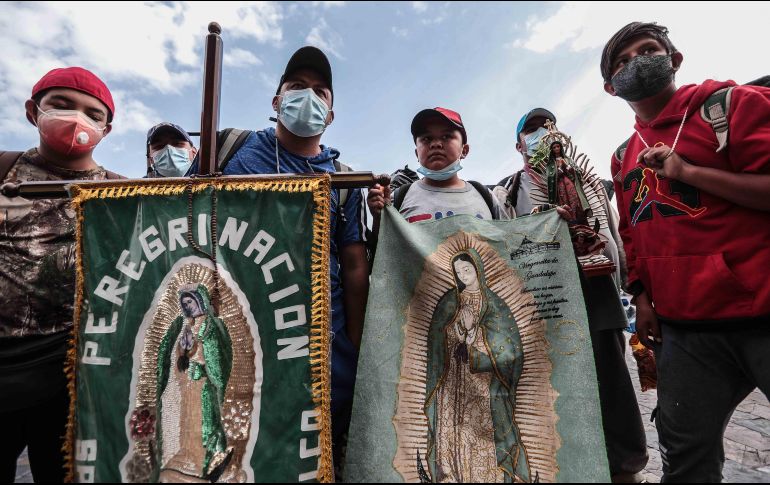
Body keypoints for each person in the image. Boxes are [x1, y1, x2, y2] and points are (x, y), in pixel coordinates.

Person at [603, 21, 770, 482]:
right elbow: (633, 233)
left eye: (648, 50)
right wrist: (640, 295)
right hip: (688, 332)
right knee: (685, 455)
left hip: (762, 311)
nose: (636, 61)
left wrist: (688, 172)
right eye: (622, 61)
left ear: (674, 60)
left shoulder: (731, 107)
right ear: (610, 86)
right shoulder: (622, 157)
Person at [189, 46, 369, 470]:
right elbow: (185, 221)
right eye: (296, 87)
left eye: (320, 92)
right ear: (276, 101)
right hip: (241, 344)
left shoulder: (344, 180)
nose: (308, 96)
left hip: (321, 353)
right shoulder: (229, 151)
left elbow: (356, 267)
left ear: (330, 113)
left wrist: (355, 348)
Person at [493, 108, 649, 483]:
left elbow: (614, 231)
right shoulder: (508, 192)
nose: (543, 133)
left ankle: (625, 469)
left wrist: (637, 289)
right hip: (546, 301)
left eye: (548, 126)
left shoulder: (588, 181)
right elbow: (506, 244)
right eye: (531, 129)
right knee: (558, 389)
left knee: (611, 382)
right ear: (519, 144)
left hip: (598, 292)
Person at [0, 66, 123, 482]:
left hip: (74, 378)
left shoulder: (121, 195)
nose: (77, 120)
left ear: (106, 129)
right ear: (34, 111)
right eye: (62, 105)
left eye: (93, 113)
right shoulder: (4, 172)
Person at [424, 250, 529, 483]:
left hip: (482, 379)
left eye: (467, 270)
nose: (463, 275)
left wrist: (474, 332)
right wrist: (457, 331)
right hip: (452, 377)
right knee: (454, 427)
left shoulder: (493, 303)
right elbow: (437, 338)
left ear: (478, 269)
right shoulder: (450, 301)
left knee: (481, 428)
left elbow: (507, 344)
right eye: (459, 272)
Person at [367, 107, 508, 237]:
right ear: (417, 153)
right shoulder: (397, 199)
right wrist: (380, 219)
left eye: (446, 136)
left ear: (464, 150)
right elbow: (383, 255)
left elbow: (509, 246)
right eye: (426, 138)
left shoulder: (485, 197)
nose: (436, 144)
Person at [154, 284, 232, 482]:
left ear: (200, 301)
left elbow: (217, 360)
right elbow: (173, 354)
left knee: (201, 421)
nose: (187, 306)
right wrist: (180, 355)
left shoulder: (210, 327)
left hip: (202, 385)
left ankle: (198, 461)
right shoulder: (182, 326)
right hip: (183, 384)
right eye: (184, 303)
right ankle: (183, 456)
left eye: (190, 301)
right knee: (183, 420)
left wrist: (198, 356)